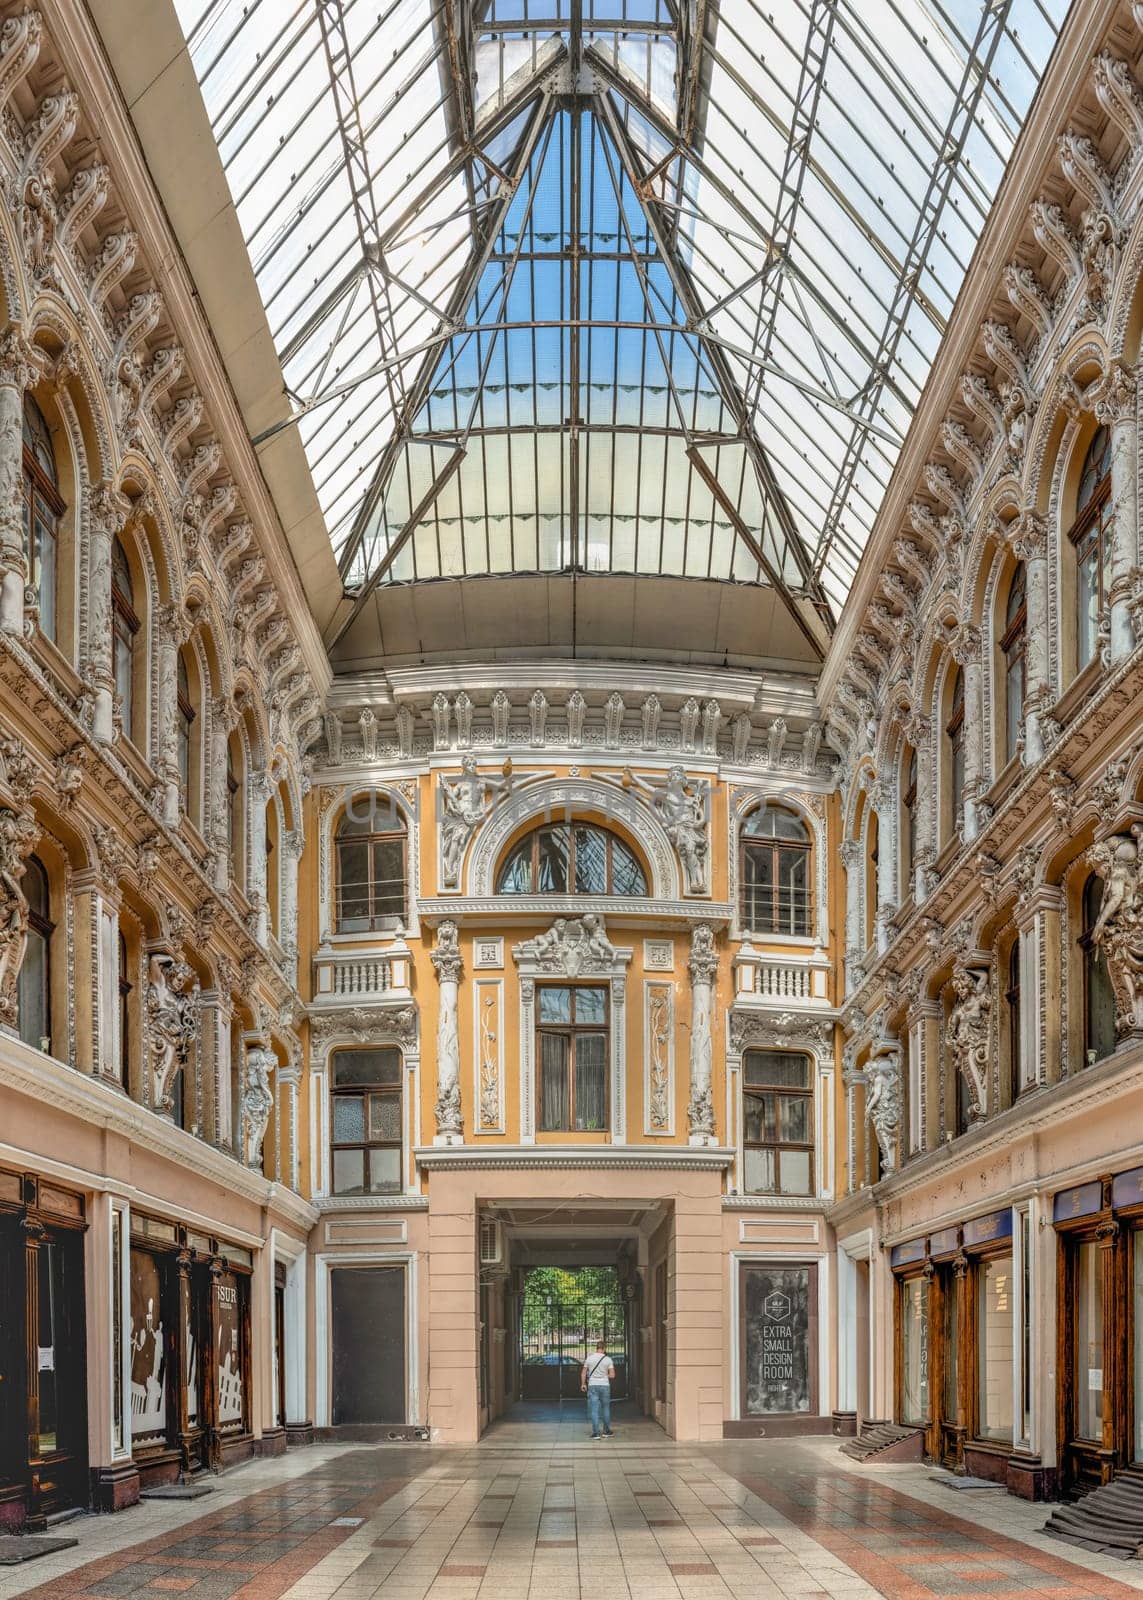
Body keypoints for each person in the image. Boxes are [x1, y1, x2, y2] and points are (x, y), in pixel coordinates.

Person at [580, 1341, 615, 1438]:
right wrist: (604, 1375)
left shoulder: (589, 1358)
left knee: (594, 1410)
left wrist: (583, 1384)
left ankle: (596, 1433)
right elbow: (612, 1375)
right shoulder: (608, 1359)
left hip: (592, 1385)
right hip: (605, 1385)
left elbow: (583, 1373)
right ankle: (606, 1431)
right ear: (604, 1348)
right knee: (606, 1408)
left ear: (597, 1348)